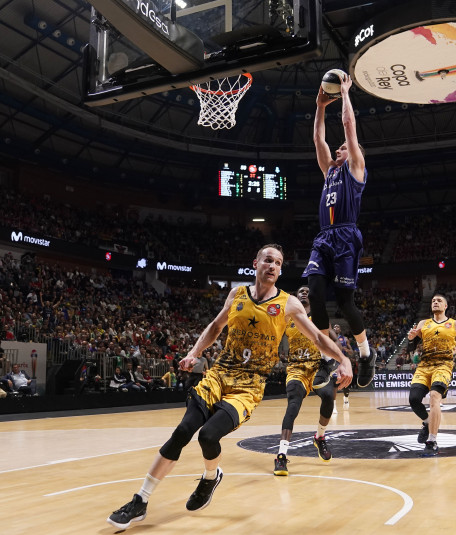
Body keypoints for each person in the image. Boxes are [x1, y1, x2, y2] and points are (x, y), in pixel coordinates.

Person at [107, 244, 353, 530]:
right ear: (256, 264)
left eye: (278, 263)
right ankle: (140, 500)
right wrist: (194, 353)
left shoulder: (289, 304)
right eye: (268, 260)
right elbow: (214, 327)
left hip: (248, 387)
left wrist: (343, 358)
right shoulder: (236, 295)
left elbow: (318, 339)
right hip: (220, 375)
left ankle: (211, 478)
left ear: (281, 270)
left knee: (208, 437)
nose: (272, 266)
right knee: (182, 431)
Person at [303, 72, 374, 389]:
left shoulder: (355, 168)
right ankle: (325, 359)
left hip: (346, 236)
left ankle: (366, 355)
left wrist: (345, 93)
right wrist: (319, 106)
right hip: (324, 237)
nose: (339, 149)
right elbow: (319, 140)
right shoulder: (329, 171)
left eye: (344, 148)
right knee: (315, 294)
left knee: (346, 304)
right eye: (340, 148)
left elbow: (349, 128)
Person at [273, 286, 340, 476]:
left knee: (328, 396)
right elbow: (273, 338)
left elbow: (335, 340)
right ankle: (281, 455)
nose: (304, 292)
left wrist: (333, 358)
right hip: (296, 369)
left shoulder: (319, 318)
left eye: (307, 291)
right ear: (295, 297)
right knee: (293, 405)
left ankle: (319, 437)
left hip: (317, 367)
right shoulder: (287, 318)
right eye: (300, 291)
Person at [405, 294, 456, 456]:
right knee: (414, 400)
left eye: (439, 301)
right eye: (433, 301)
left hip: (443, 365)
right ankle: (427, 422)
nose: (435, 302)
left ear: (445, 306)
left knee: (434, 396)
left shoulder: (455, 324)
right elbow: (412, 345)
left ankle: (432, 440)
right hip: (424, 366)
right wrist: (411, 338)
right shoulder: (424, 324)